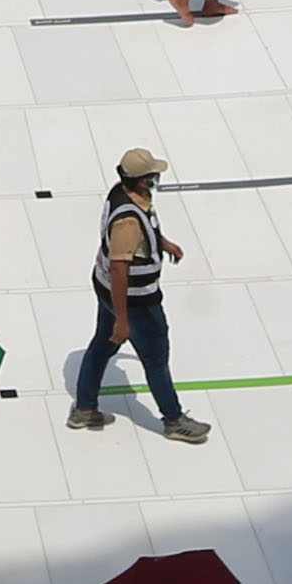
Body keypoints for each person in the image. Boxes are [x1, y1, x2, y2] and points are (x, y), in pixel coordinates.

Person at [71, 148, 198, 438]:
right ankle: (174, 420)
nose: (156, 176)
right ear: (141, 180)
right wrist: (123, 320)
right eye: (152, 174)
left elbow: (140, 233)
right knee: (155, 360)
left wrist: (162, 242)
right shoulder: (127, 222)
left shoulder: (123, 193)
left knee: (102, 345)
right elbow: (120, 269)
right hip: (136, 301)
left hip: (103, 287)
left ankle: (84, 409)